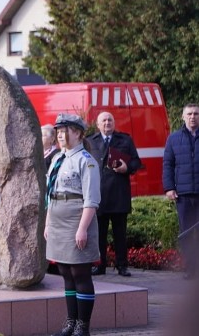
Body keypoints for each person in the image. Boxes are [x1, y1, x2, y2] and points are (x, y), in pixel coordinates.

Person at [45, 114, 100, 336]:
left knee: (80, 273)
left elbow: (91, 199)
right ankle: (70, 323)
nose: (59, 134)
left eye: (64, 130)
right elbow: (51, 195)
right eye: (58, 131)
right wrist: (48, 223)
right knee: (66, 272)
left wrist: (82, 228)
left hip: (76, 220)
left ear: (77, 133)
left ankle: (82, 326)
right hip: (57, 220)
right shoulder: (59, 158)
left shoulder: (85, 160)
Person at [87, 111, 140, 277]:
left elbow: (136, 162)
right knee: (99, 234)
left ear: (114, 123)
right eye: (103, 120)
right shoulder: (89, 141)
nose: (107, 123)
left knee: (120, 234)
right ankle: (100, 265)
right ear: (98, 124)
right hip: (99, 194)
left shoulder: (125, 140)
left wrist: (127, 167)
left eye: (110, 120)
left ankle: (122, 265)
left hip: (119, 193)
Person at [163, 103, 199, 280]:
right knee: (186, 233)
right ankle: (190, 268)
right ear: (183, 117)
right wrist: (169, 187)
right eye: (189, 114)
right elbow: (168, 164)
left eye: (196, 114)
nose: (193, 117)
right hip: (183, 195)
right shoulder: (173, 138)